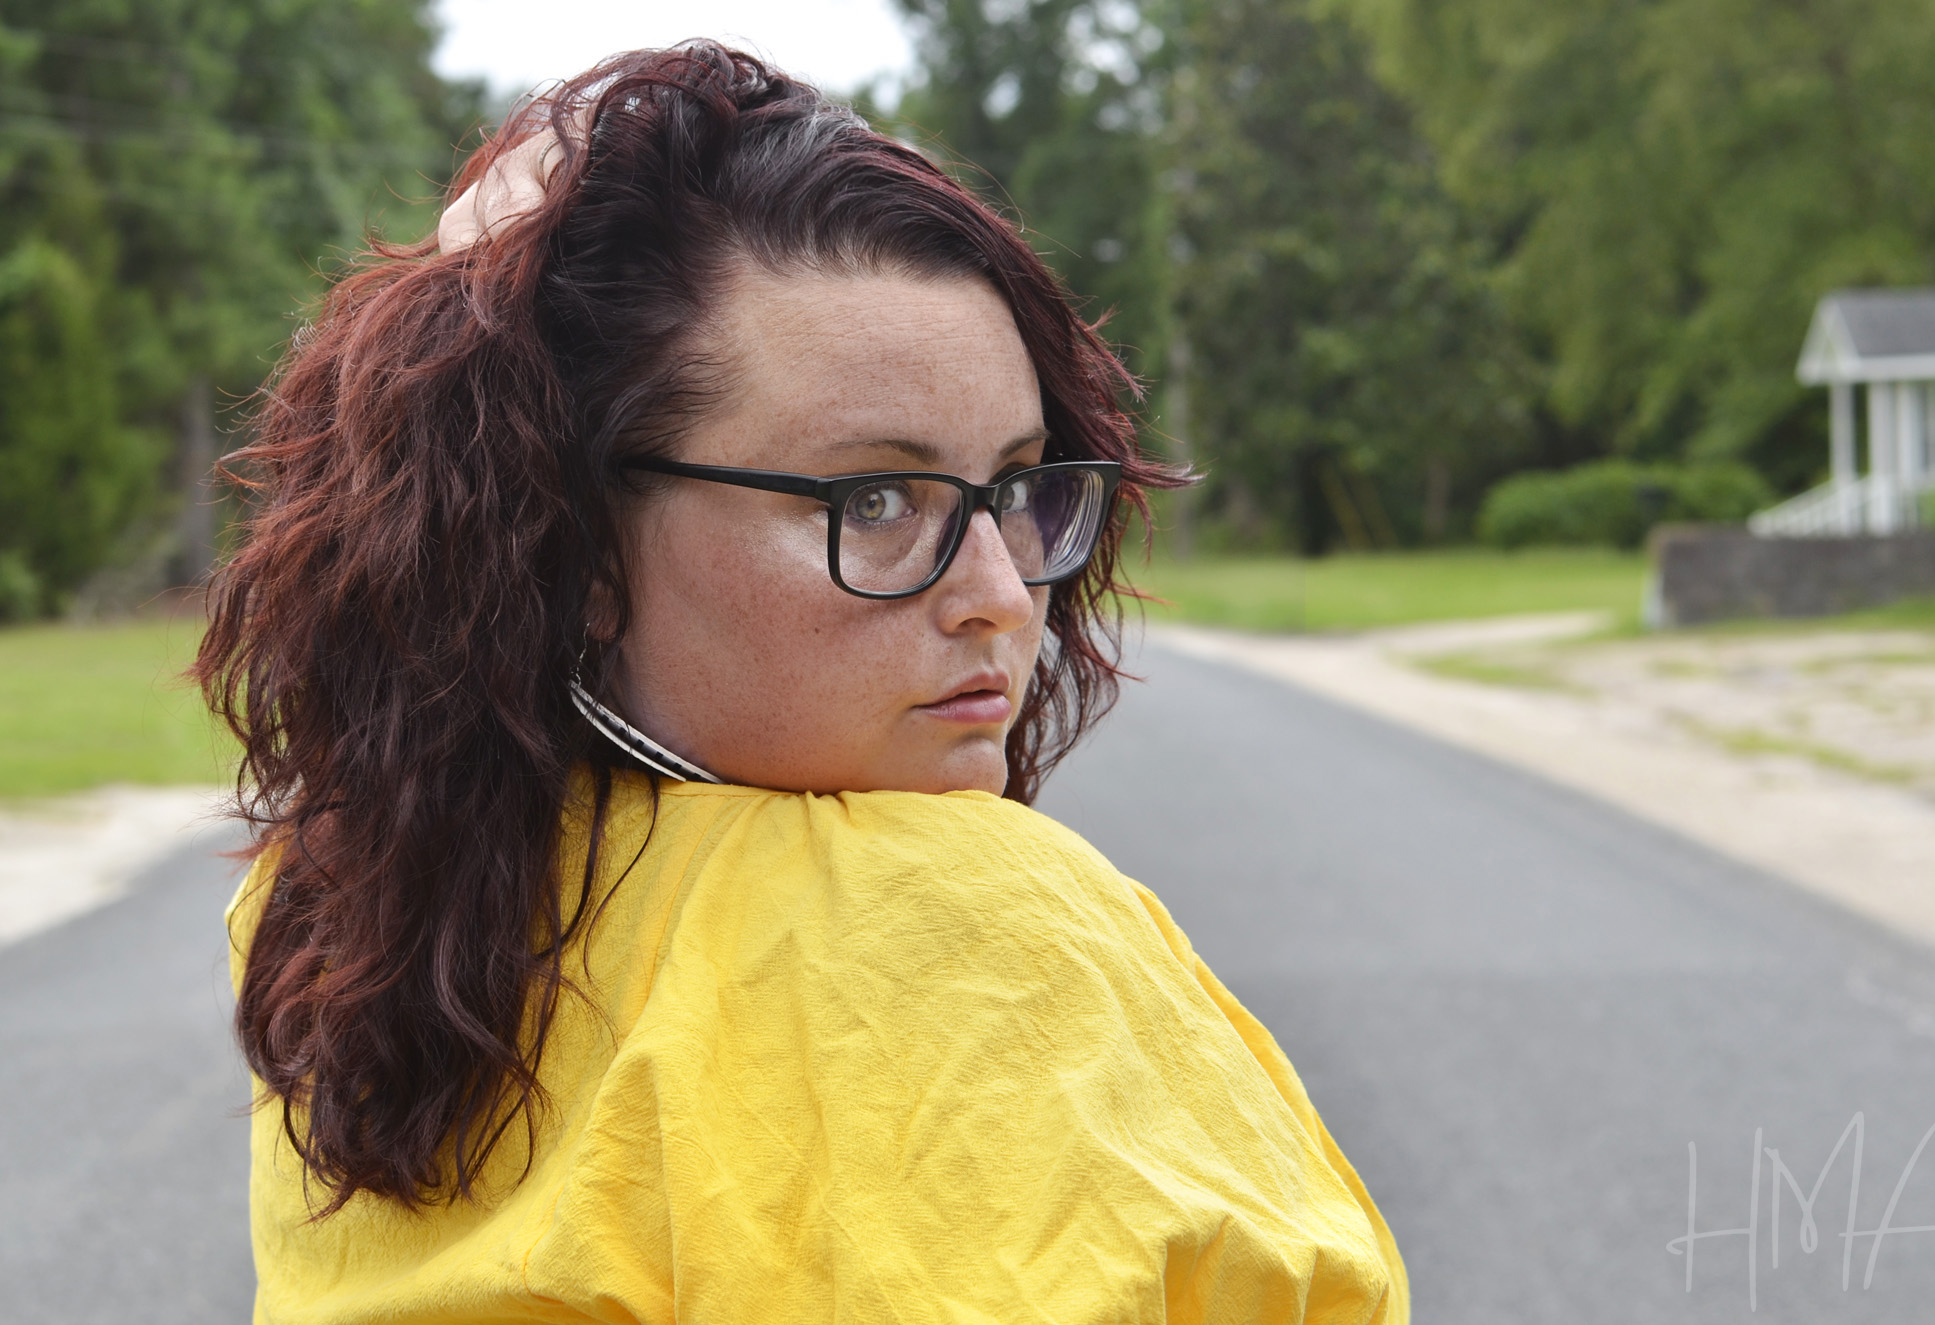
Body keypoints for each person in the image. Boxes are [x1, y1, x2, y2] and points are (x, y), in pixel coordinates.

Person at [200, 42, 1408, 1324]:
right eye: (874, 499)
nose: (999, 591)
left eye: (1012, 486)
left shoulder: (351, 903)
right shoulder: (948, 925)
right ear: (579, 543)